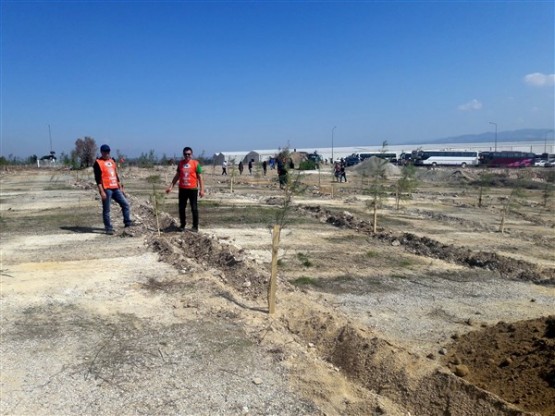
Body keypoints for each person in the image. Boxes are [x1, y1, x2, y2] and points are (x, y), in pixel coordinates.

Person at [93, 144, 133, 235]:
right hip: (106, 189)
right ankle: (108, 228)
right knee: (107, 209)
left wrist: (121, 187)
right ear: (101, 152)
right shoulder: (98, 163)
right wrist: (101, 191)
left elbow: (116, 176)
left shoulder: (112, 161)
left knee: (125, 204)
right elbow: (98, 180)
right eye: (105, 152)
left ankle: (127, 223)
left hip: (115, 188)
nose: (107, 153)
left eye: (108, 152)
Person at [166, 147, 205, 232]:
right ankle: (182, 225)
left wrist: (202, 190)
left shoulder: (196, 164)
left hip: (193, 189)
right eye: (185, 154)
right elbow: (177, 176)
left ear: (192, 154)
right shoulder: (180, 164)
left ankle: (195, 227)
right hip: (182, 189)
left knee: (194, 208)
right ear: (183, 154)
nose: (187, 155)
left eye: (189, 154)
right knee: (181, 208)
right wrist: (171, 186)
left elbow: (200, 177)